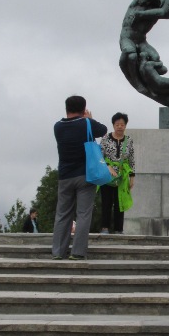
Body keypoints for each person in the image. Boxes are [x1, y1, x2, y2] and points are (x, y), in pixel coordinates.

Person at [51, 96, 107, 260]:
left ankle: (58, 252)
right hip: (85, 175)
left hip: (64, 176)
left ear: (66, 108)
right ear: (84, 109)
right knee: (83, 214)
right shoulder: (86, 123)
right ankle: (77, 252)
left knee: (62, 214)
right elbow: (103, 130)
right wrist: (89, 119)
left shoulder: (57, 127)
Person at [99, 112, 136, 234]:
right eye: (117, 124)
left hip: (122, 176)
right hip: (107, 175)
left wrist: (132, 177)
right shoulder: (106, 138)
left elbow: (131, 159)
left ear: (125, 125)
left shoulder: (129, 140)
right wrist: (108, 166)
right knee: (106, 202)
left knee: (120, 201)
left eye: (122, 124)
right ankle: (105, 227)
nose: (120, 127)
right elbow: (100, 155)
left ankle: (119, 229)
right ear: (113, 125)